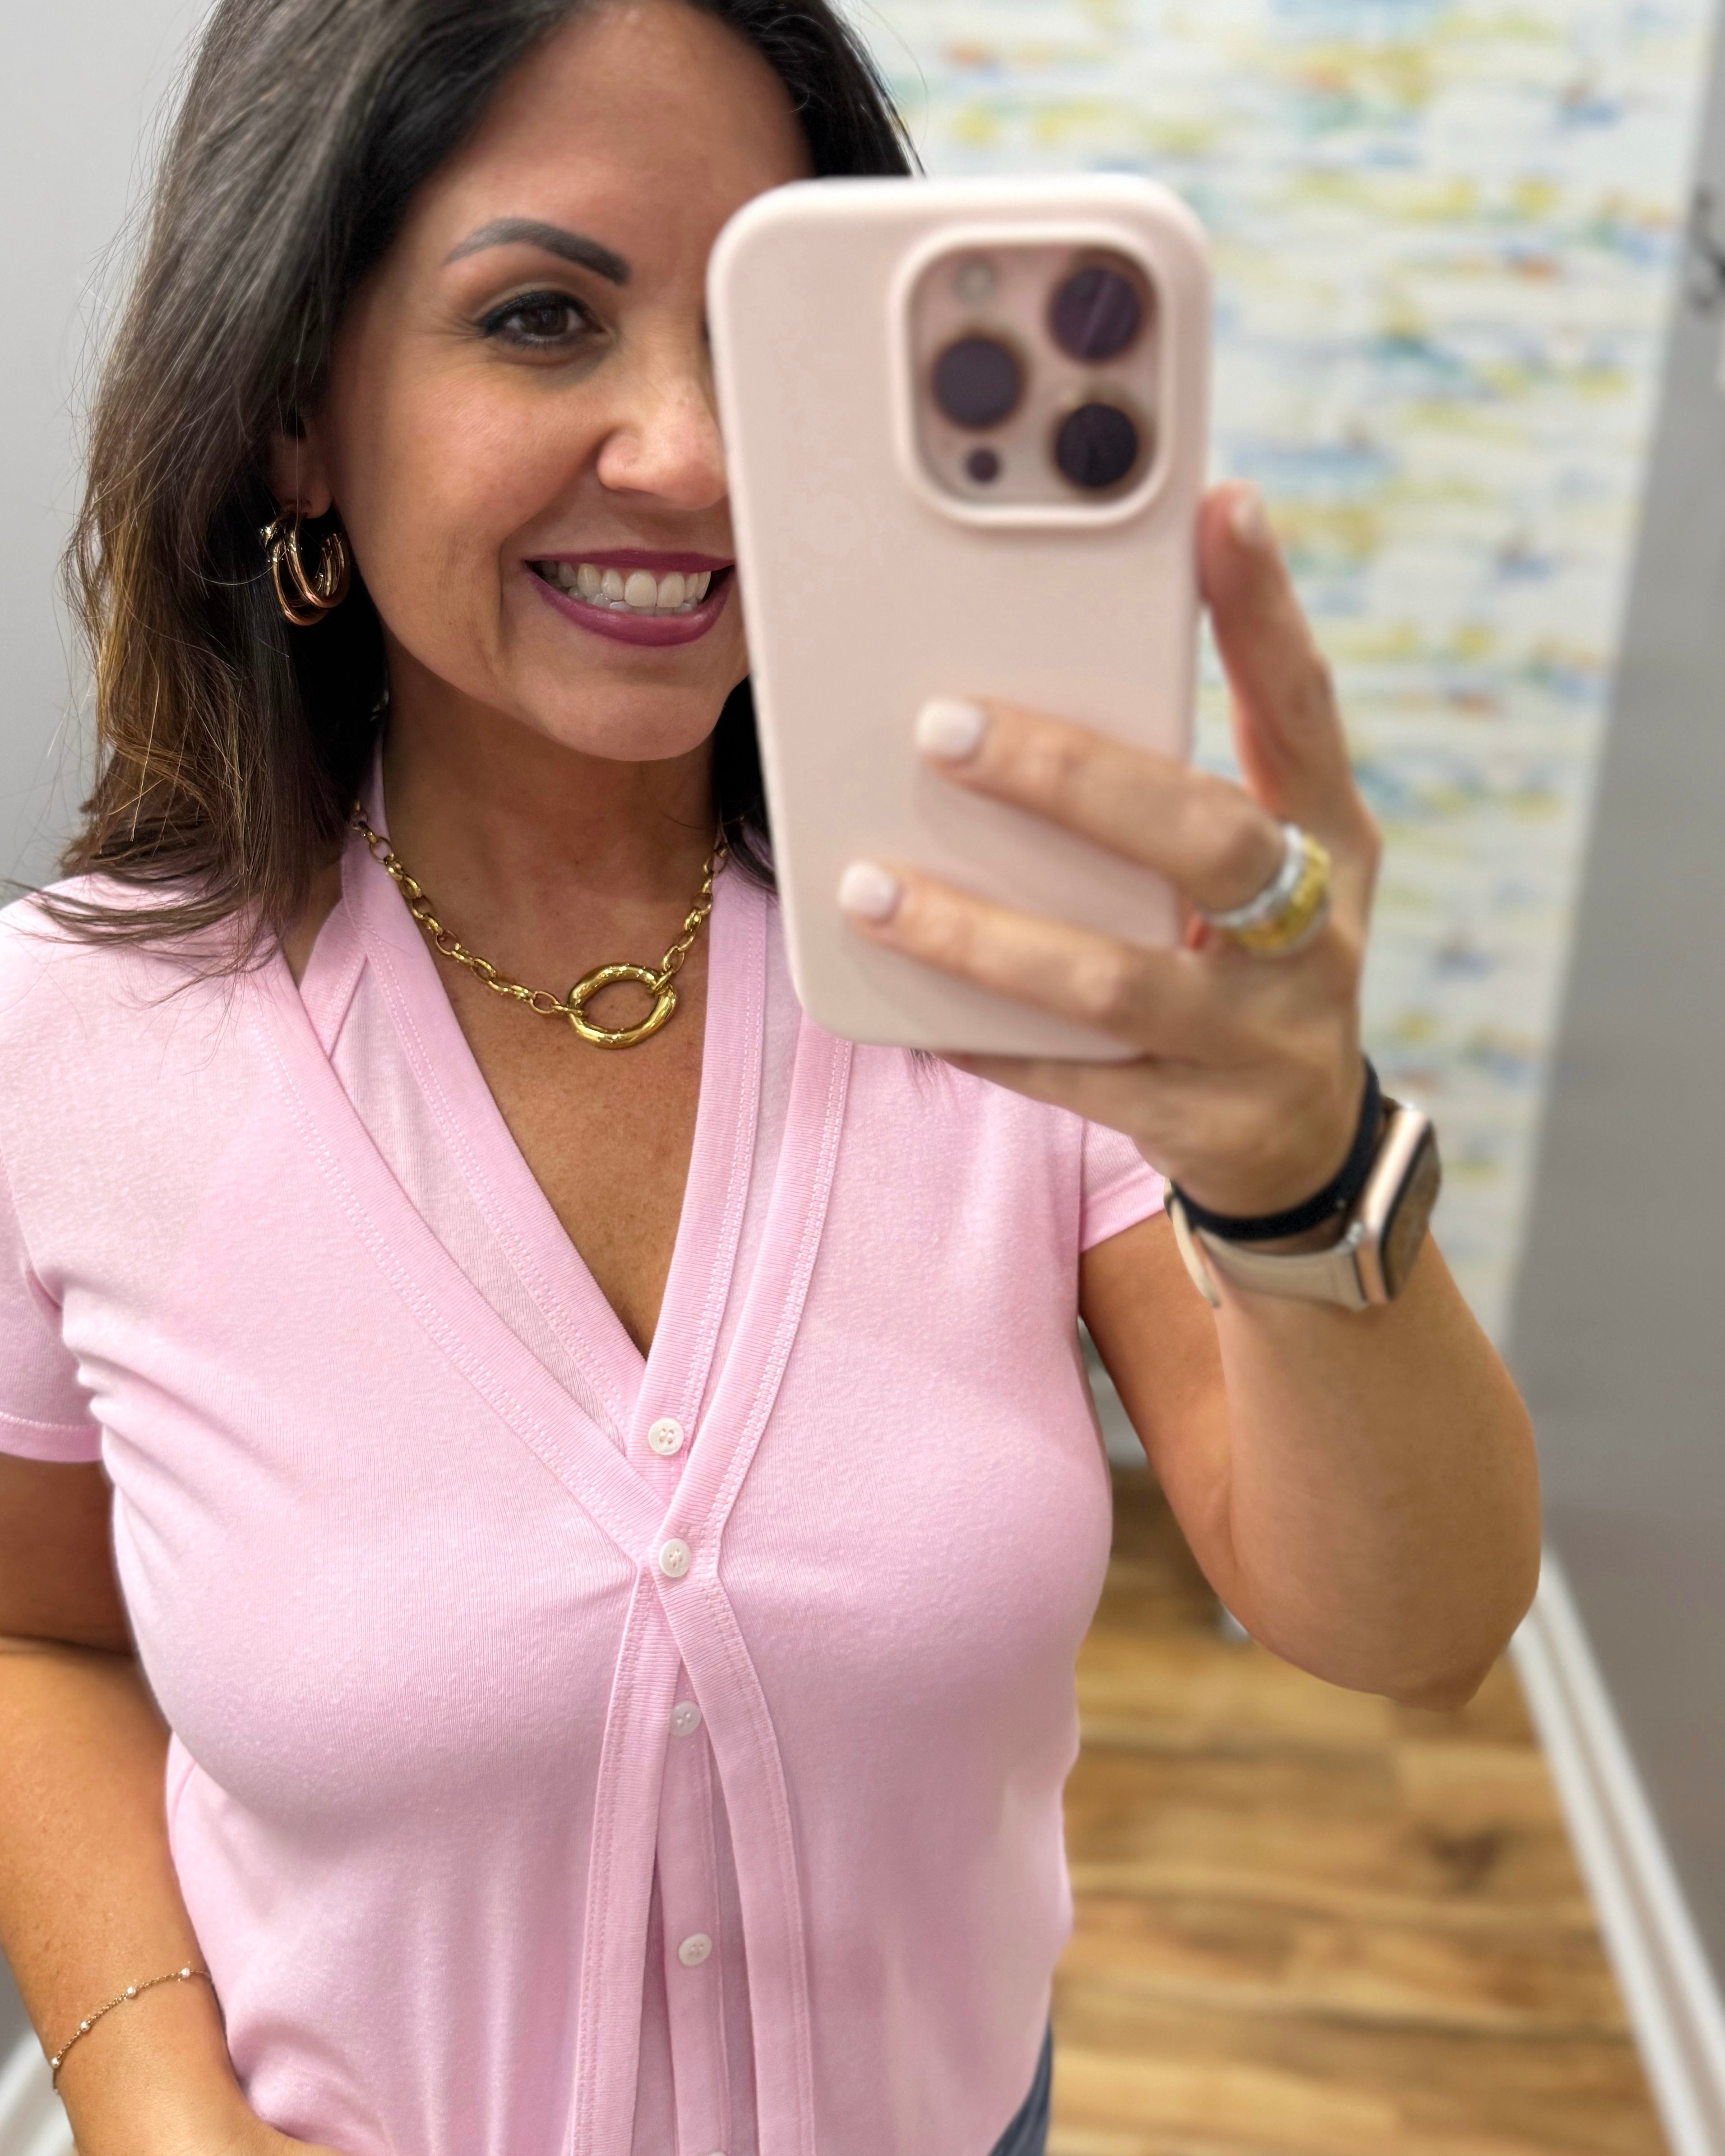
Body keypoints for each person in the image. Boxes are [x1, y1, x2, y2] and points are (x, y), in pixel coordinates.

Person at [0, 2, 1540, 2152]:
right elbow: (43, 1644)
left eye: (763, 331)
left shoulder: (1013, 973)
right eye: (541, 318)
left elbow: (1410, 1625)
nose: (695, 457)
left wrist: (1298, 1170)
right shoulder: (72, 1044)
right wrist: (151, 2097)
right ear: (294, 417)